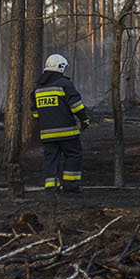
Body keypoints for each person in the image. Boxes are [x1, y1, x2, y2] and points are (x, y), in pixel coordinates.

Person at [33, 53, 90, 192]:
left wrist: (45, 122)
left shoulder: (37, 88)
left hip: (47, 133)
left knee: (51, 159)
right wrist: (84, 120)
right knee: (73, 155)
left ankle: (51, 188)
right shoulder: (64, 84)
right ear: (60, 67)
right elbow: (76, 105)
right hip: (67, 132)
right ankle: (71, 185)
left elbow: (35, 112)